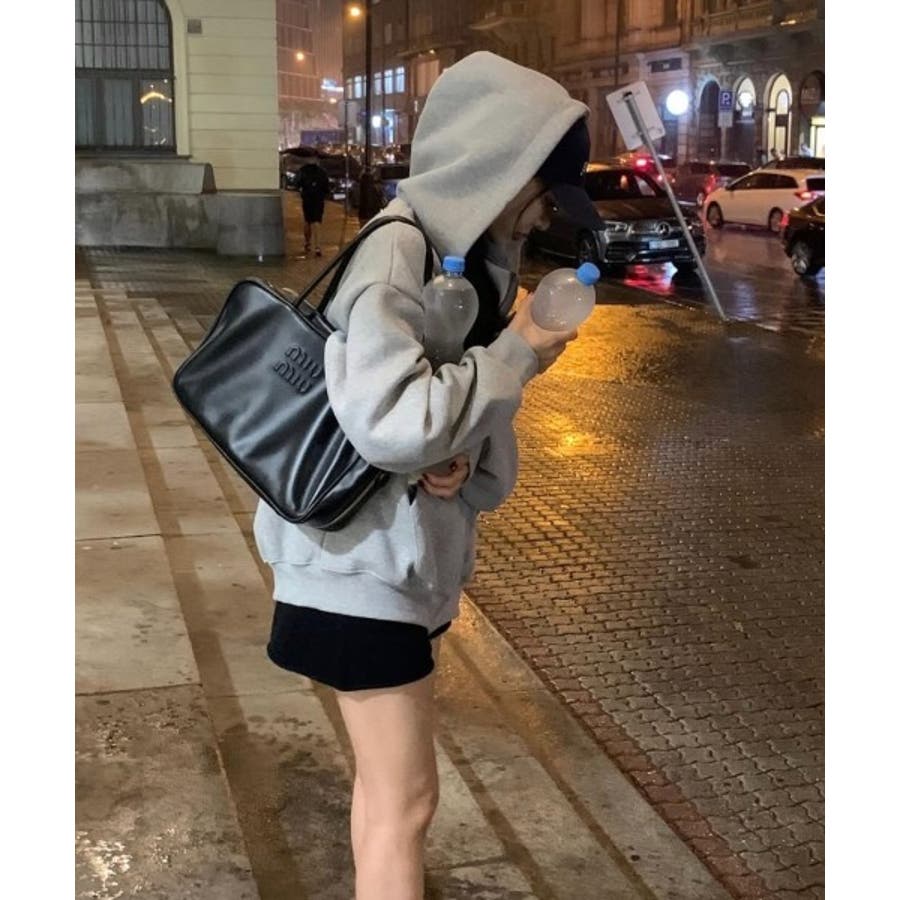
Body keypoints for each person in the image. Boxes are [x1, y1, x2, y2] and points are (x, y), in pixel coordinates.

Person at [254, 51, 604, 900]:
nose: (545, 207)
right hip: (357, 574)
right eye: (541, 184)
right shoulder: (398, 251)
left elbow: (425, 416)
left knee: (387, 801)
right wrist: (518, 348)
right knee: (406, 805)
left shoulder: (454, 256)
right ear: (499, 165)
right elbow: (388, 419)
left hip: (376, 571)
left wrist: (461, 450)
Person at [298, 157, 331, 256]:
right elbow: (326, 188)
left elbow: (297, 183)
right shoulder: (322, 172)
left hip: (307, 199)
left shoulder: (303, 171)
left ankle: (307, 243)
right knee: (317, 221)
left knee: (307, 221)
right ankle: (318, 247)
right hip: (318, 199)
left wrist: (302, 191)